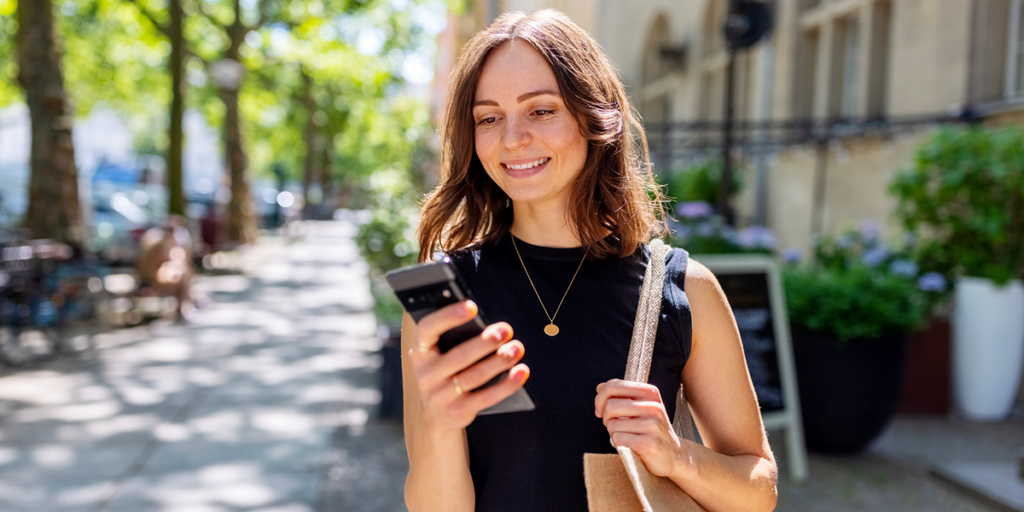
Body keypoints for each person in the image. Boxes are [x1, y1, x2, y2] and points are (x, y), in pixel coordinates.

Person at [401, 10, 778, 512]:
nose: (512, 138)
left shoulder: (682, 289)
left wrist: (675, 456)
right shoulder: (444, 299)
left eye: (541, 110)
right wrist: (440, 425)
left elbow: (760, 491)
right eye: (488, 117)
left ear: (593, 115)